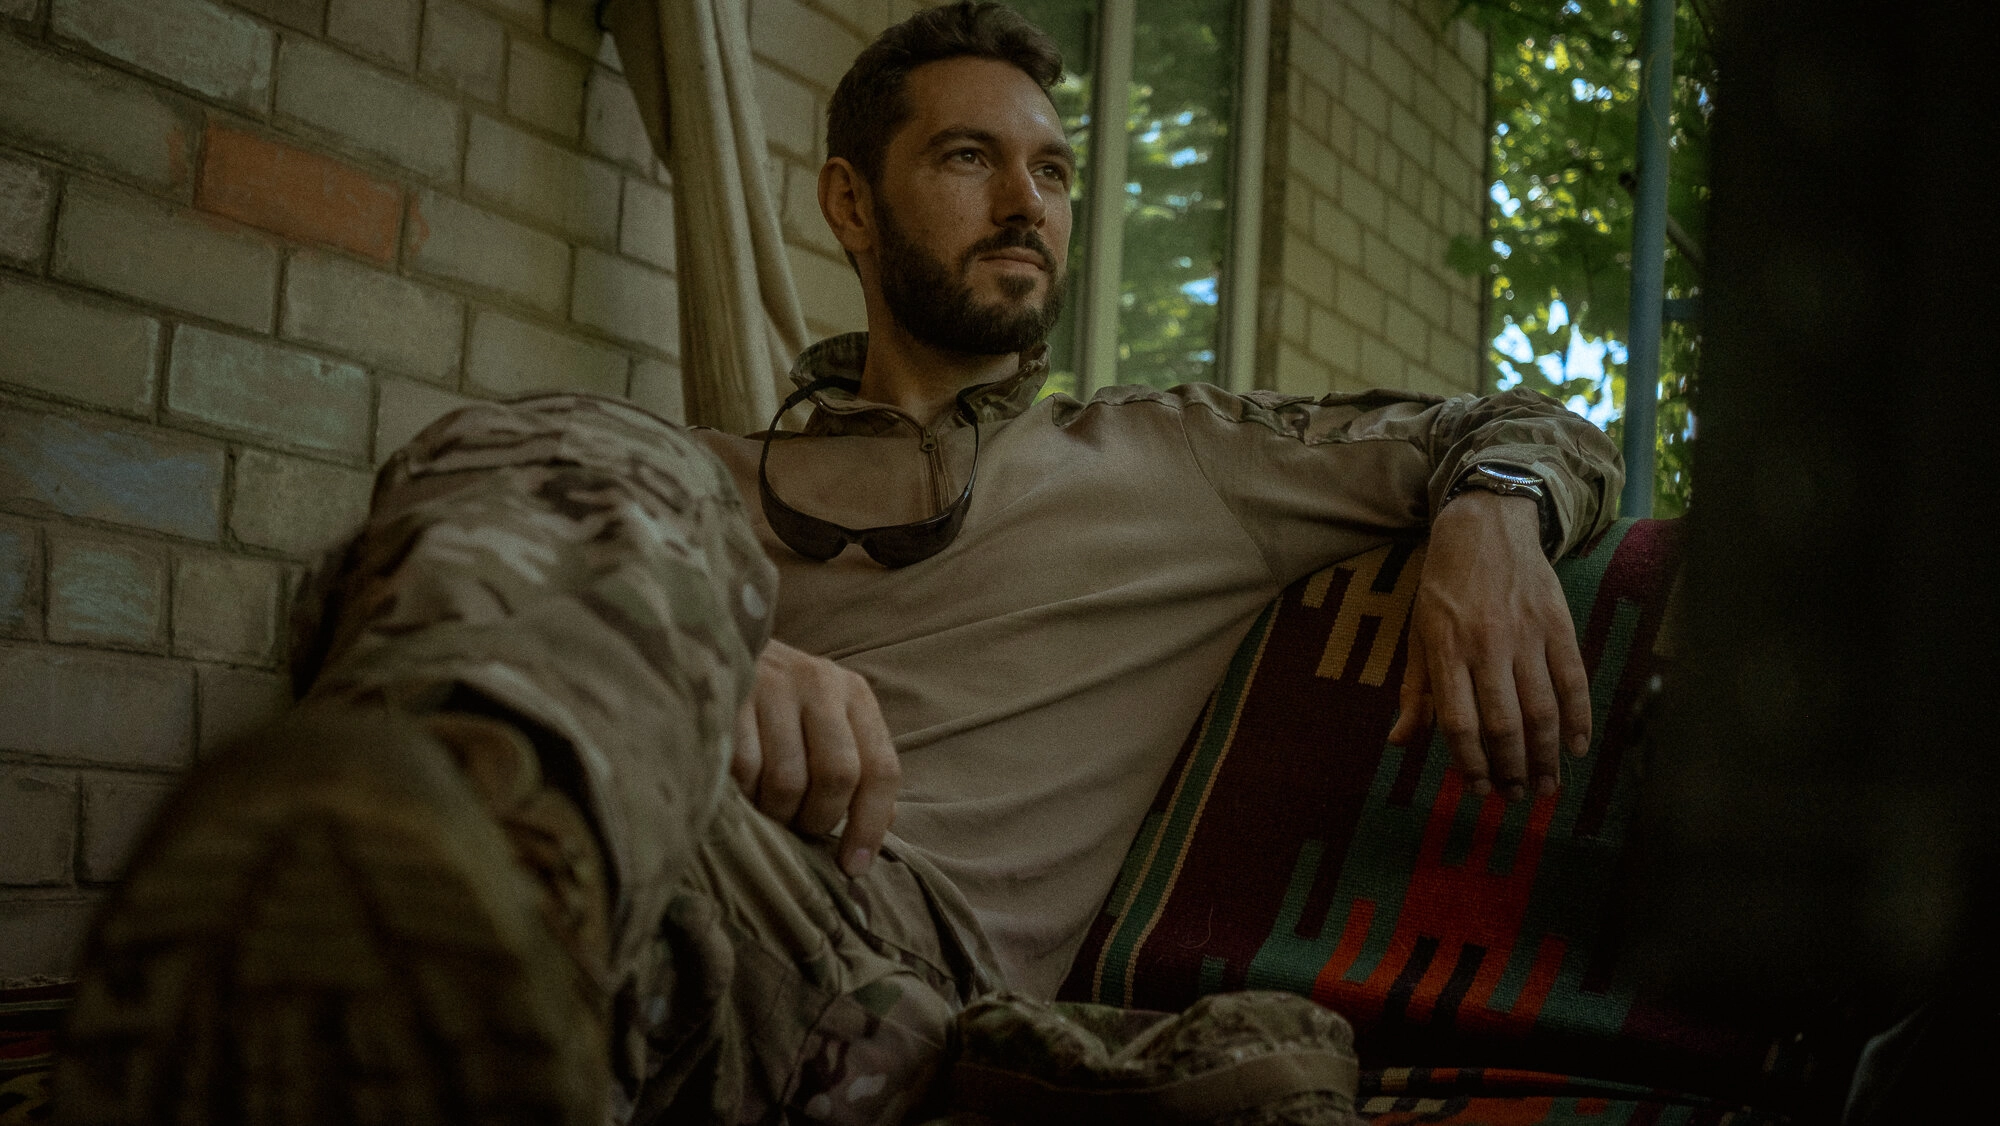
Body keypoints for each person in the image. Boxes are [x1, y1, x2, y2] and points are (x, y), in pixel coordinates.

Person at [55, 4, 1621, 1124]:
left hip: (869, 936)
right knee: (560, 438)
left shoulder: (1174, 454)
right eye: (971, 159)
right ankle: (470, 877)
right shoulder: (684, 487)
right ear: (851, 205)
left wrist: (1487, 511)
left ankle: (434, 904)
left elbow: (1515, 415)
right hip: (620, 808)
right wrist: (715, 649)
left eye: (1057, 171)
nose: (1029, 204)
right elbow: (383, 574)